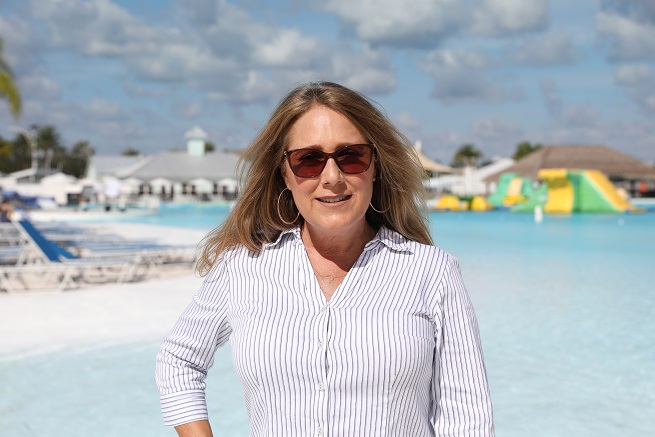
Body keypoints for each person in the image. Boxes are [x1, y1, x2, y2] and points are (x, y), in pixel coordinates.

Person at [156, 82, 494, 436]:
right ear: (284, 174)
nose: (332, 178)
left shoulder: (432, 272)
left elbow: (468, 418)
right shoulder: (242, 267)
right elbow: (178, 360)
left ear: (375, 166)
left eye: (351, 156)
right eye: (308, 160)